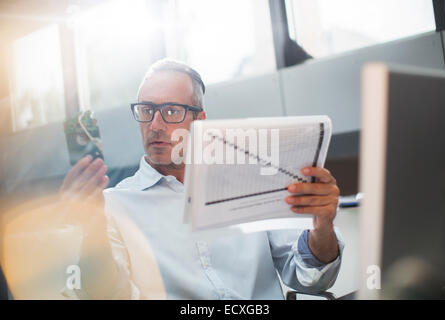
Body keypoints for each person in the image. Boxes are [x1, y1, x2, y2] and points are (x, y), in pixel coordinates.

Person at [59, 59, 344, 299]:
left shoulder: (250, 180)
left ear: (200, 121)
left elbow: (313, 278)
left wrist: (322, 227)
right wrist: (92, 230)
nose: (155, 125)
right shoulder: (113, 205)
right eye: (146, 110)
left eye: (171, 111)